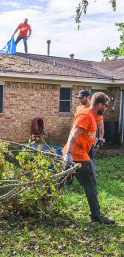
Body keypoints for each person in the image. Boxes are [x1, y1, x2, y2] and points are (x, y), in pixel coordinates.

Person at [63, 92, 115, 224]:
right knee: (90, 183)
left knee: (61, 181)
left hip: (77, 153)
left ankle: (41, 200)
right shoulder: (86, 115)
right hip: (77, 154)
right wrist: (68, 155)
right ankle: (96, 216)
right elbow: (73, 135)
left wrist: (95, 140)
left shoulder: (92, 116)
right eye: (106, 106)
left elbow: (86, 134)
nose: (107, 108)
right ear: (99, 104)